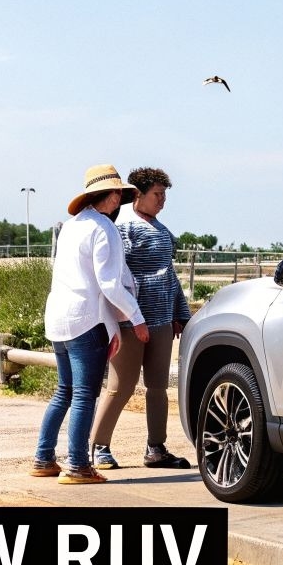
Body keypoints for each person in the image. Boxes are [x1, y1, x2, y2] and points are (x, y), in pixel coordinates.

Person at [31, 164, 149, 485]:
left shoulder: (71, 226)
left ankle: (43, 458)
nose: (119, 203)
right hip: (86, 320)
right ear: (110, 196)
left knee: (64, 392)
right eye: (118, 196)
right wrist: (136, 319)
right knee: (84, 394)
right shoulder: (104, 229)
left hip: (58, 317)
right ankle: (78, 465)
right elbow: (109, 284)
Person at [90, 166, 193, 469]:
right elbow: (117, 275)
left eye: (164, 195)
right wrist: (130, 317)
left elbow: (169, 275)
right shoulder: (123, 226)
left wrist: (179, 313)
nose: (163, 200)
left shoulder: (161, 228)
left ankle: (156, 447)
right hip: (130, 319)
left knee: (159, 386)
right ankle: (99, 446)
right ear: (138, 195)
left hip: (161, 319)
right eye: (157, 194)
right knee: (121, 385)